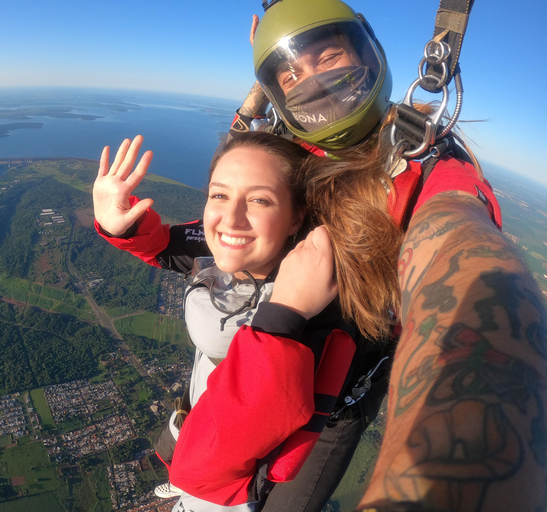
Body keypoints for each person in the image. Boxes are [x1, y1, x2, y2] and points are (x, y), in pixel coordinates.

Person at [224, 1, 547, 511]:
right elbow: (238, 163)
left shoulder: (425, 164)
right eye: (291, 75)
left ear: (367, 53)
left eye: (328, 57)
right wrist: (266, 76)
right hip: (264, 361)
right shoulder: (292, 149)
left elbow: (458, 248)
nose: (310, 81)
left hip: (331, 407)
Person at [92, 131, 404, 511]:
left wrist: (285, 315)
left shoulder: (322, 302)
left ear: (296, 219)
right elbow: (167, 246)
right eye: (219, 195)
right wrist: (119, 226)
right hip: (211, 402)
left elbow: (210, 461)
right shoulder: (239, 241)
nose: (231, 219)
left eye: (259, 200)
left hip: (278, 450)